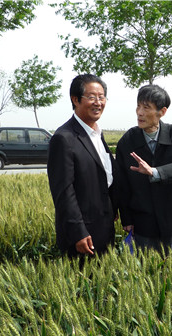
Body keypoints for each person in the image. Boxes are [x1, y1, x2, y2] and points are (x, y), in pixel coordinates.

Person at [116, 84, 172, 255]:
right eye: (138, 106)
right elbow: (121, 183)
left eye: (146, 108)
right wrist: (127, 218)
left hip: (171, 220)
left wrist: (155, 172)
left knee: (171, 271)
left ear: (162, 111)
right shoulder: (127, 141)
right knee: (145, 272)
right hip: (142, 221)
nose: (140, 112)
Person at [47, 74, 117, 258]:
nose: (98, 103)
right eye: (92, 97)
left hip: (105, 228)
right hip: (82, 236)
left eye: (102, 97)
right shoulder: (64, 138)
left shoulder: (97, 134)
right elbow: (63, 191)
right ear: (75, 100)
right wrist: (77, 231)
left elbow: (105, 178)